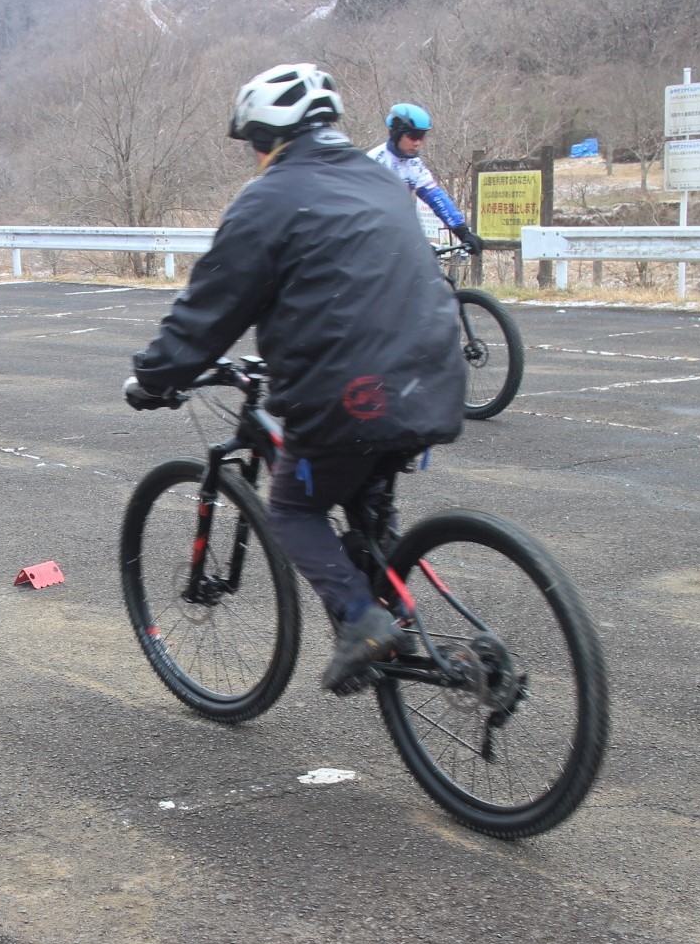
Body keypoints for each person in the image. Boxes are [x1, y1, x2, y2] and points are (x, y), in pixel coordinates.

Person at [125, 64, 467, 692]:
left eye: (254, 143)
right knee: (366, 499)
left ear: (267, 138)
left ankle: (363, 622)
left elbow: (211, 308)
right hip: (435, 377)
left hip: (352, 392)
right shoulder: (381, 180)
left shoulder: (270, 199)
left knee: (293, 506)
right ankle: (391, 613)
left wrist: (153, 377)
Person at [366, 103, 484, 254]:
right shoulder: (374, 161)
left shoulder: (413, 164)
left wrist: (463, 232)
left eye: (421, 136)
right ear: (395, 133)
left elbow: (435, 197)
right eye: (413, 136)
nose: (417, 143)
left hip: (400, 238)